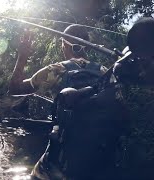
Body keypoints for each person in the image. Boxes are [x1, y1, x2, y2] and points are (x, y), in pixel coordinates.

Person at [32, 17, 154, 180]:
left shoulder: (58, 70)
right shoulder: (111, 71)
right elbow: (101, 88)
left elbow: (16, 89)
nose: (142, 64)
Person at [8, 24, 107, 98]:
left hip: (68, 125)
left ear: (64, 45)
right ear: (87, 48)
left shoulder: (55, 70)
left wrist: (22, 57)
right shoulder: (104, 71)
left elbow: (14, 89)